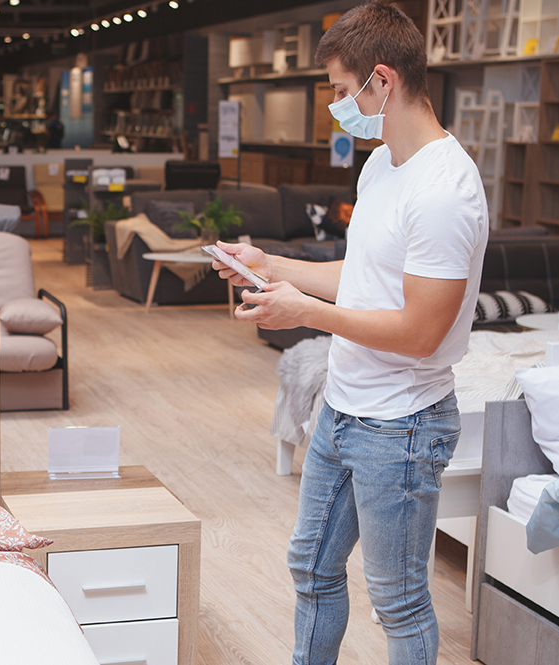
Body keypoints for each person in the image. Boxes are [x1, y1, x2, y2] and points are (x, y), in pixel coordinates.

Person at [209, 3, 489, 664]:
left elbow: (421, 332)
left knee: (399, 603)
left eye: (341, 90)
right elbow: (364, 274)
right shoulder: (381, 166)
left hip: (403, 424)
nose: (337, 105)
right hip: (344, 404)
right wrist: (272, 263)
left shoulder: (446, 190)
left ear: (383, 82)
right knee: (310, 565)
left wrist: (304, 310)